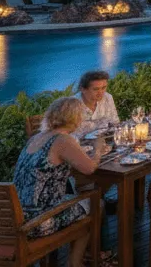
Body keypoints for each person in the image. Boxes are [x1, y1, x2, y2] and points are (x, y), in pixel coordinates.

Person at [13, 97, 103, 266]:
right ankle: (76, 262)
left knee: (81, 195)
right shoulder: (62, 140)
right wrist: (98, 149)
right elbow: (90, 168)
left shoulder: (36, 138)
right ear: (75, 118)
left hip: (17, 215)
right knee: (96, 203)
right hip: (38, 221)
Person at [47, 70, 117, 137]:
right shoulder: (71, 105)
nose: (101, 92)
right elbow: (62, 132)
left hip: (105, 138)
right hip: (78, 143)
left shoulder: (108, 97)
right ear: (83, 89)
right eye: (96, 89)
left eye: (103, 88)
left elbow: (115, 122)